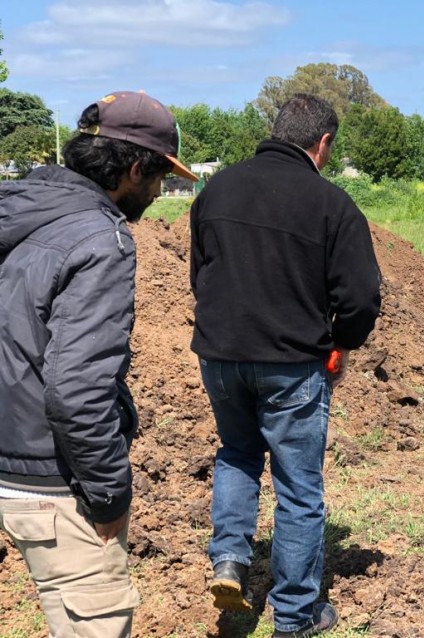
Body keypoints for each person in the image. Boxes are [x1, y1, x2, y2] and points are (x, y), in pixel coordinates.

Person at [0, 91, 197, 637]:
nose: (159, 192)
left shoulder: (21, 212)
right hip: (52, 480)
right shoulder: (100, 239)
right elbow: (77, 391)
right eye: (160, 177)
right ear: (134, 170)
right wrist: (108, 494)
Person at [190, 93, 381, 638]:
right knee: (298, 486)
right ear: (323, 142)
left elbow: (201, 274)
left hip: (221, 357)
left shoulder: (216, 189)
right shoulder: (332, 203)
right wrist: (341, 343)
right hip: (292, 363)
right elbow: (361, 297)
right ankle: (295, 617)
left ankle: (230, 560)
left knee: (237, 453)